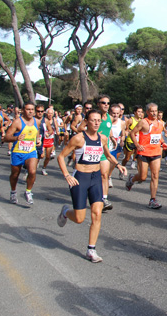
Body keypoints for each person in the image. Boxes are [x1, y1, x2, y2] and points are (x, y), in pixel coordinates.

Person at [56, 109, 127, 263]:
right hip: (80, 178)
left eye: (98, 121)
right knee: (80, 218)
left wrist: (118, 165)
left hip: (95, 178)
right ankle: (66, 211)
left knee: (97, 213)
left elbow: (107, 155)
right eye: (93, 120)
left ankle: (91, 249)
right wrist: (67, 175)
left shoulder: (102, 138)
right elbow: (61, 156)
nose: (96, 123)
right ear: (86, 122)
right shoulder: (78, 139)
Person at [126, 103, 166, 209]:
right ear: (147, 112)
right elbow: (132, 133)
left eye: (156, 111)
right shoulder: (143, 122)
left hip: (156, 152)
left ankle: (153, 200)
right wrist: (137, 145)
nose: (154, 113)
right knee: (142, 177)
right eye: (152, 111)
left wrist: (162, 143)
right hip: (143, 152)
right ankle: (132, 179)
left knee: (155, 175)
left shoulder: (160, 123)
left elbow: (158, 136)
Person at [4, 103, 40, 205]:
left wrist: (38, 140)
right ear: (23, 110)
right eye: (28, 109)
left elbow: (36, 132)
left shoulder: (37, 121)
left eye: (32, 109)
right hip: (18, 151)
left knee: (32, 171)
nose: (30, 111)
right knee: (15, 174)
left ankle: (28, 192)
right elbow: (6, 137)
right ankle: (13, 192)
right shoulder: (17, 122)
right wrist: (16, 138)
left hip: (31, 151)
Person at [122, 105, 144, 170]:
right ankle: (123, 167)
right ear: (135, 112)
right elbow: (126, 130)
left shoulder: (142, 121)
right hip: (130, 141)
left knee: (137, 154)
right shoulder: (131, 120)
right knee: (127, 158)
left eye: (141, 112)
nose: (140, 113)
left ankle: (134, 161)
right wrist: (131, 131)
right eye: (138, 111)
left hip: (138, 141)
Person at [40, 108, 57, 176]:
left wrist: (57, 132)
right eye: (49, 113)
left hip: (50, 140)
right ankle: (35, 164)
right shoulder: (43, 120)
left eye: (51, 113)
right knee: (41, 155)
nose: (50, 115)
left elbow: (56, 128)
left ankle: (44, 168)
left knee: (47, 156)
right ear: (46, 113)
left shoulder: (54, 120)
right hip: (43, 140)